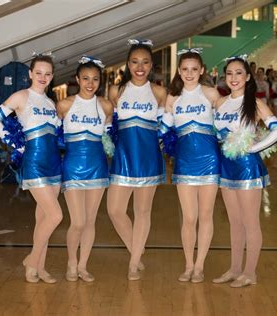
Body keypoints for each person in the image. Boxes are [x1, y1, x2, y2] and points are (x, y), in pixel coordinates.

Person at [0, 54, 62, 283]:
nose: (43, 77)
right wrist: (16, 146)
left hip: (54, 165)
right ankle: (31, 259)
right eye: (38, 72)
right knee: (56, 215)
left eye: (48, 73)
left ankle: (37, 268)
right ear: (30, 74)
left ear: (52, 76)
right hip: (34, 164)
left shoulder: (51, 103)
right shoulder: (21, 96)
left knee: (43, 220)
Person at [212, 55, 277, 288]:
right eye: (230, 73)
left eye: (239, 73)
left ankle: (250, 273)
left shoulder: (255, 102)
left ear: (248, 76)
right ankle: (234, 269)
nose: (234, 78)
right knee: (234, 222)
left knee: (250, 222)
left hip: (246, 169)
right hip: (226, 167)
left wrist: (252, 148)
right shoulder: (220, 102)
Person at [107, 39, 167, 281]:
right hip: (122, 157)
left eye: (144, 62)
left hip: (148, 158)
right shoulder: (115, 91)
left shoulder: (159, 92)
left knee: (142, 211)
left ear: (151, 65)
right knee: (114, 210)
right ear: (128, 64)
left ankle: (133, 263)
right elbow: (107, 124)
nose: (139, 67)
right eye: (134, 62)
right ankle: (137, 250)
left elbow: (166, 128)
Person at [160, 48, 220, 283]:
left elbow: (226, 124)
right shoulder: (173, 98)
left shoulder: (211, 93)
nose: (189, 73)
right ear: (179, 71)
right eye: (185, 69)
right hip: (184, 163)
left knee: (206, 215)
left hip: (209, 162)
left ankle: (200, 266)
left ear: (202, 70)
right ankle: (188, 265)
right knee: (188, 217)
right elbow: (163, 131)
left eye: (194, 69)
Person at [57, 56, 113, 282]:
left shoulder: (106, 106)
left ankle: (83, 265)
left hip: (98, 166)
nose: (90, 83)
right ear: (77, 79)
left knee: (90, 221)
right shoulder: (65, 105)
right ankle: (71, 262)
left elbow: (108, 138)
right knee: (77, 221)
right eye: (86, 78)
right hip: (72, 167)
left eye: (95, 79)